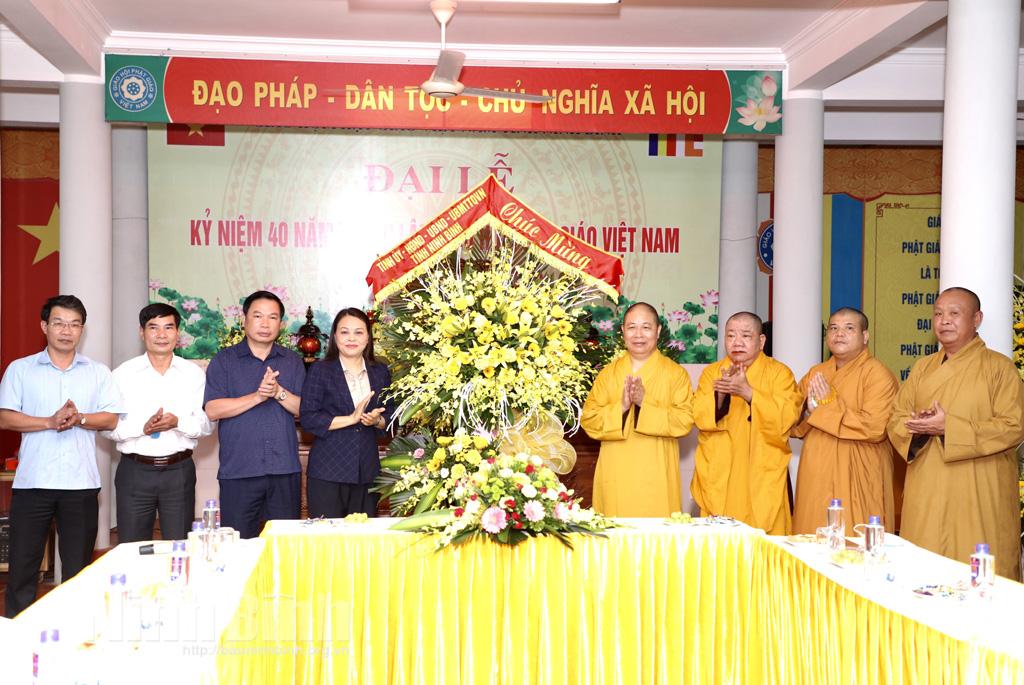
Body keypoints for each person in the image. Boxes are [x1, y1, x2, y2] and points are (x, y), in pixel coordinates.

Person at [887, 287, 1024, 579]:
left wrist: (950, 428)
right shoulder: (922, 368)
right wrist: (919, 427)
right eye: (938, 314)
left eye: (954, 313)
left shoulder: (999, 368)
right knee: (924, 572)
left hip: (978, 486)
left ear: (977, 319)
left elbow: (1013, 426)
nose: (944, 320)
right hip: (927, 484)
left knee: (978, 572)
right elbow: (896, 417)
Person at [0, 295, 123, 617]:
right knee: (23, 568)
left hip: (80, 485)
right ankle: (18, 633)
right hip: (32, 483)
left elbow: (111, 419)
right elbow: (5, 417)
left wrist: (79, 418)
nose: (66, 331)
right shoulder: (21, 369)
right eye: (59, 323)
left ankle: (74, 632)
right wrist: (49, 422)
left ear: (82, 330)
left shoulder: (97, 372)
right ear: (44, 326)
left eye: (74, 324)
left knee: (78, 572)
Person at [103, 303, 213, 542]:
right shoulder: (122, 374)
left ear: (178, 333)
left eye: (168, 327)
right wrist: (141, 428)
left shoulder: (194, 374)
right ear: (142, 332)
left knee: (179, 546)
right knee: (132, 548)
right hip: (135, 471)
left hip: (179, 471)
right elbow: (106, 427)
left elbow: (207, 424)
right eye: (153, 328)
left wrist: (178, 422)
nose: (161, 335)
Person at [204, 290, 305, 538]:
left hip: (284, 470)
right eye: (258, 316)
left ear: (281, 324)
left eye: (273, 317)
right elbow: (212, 409)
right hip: (239, 470)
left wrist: (278, 392)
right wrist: (258, 397)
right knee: (238, 546)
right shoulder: (224, 361)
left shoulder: (292, 361)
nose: (265, 324)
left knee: (284, 546)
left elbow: (305, 411)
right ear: (244, 319)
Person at [691, 311, 801, 534]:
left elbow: (788, 417)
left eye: (745, 336)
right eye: (731, 335)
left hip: (763, 471)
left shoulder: (779, 374)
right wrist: (721, 394)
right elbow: (698, 415)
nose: (737, 342)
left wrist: (749, 393)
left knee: (763, 545)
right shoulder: (712, 373)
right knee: (721, 543)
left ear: (761, 341)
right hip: (720, 471)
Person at [581, 302, 694, 517]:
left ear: (658, 331)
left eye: (646, 327)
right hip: (616, 473)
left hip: (657, 475)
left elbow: (684, 421)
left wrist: (644, 402)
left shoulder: (675, 374)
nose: (638, 334)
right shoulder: (608, 374)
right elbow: (590, 420)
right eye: (632, 327)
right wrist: (622, 407)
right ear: (623, 331)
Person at [791, 308, 897, 534]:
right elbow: (792, 417)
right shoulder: (817, 373)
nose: (839, 334)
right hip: (816, 469)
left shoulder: (878, 375)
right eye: (833, 328)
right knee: (812, 533)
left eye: (849, 328)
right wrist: (807, 413)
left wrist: (824, 408)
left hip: (857, 470)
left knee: (854, 536)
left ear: (865, 336)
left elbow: (875, 427)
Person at [300, 308, 393, 517]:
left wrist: (377, 420)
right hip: (328, 471)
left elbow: (393, 417)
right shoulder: (320, 370)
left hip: (367, 472)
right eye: (344, 332)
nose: (351, 338)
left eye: (358, 332)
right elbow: (308, 419)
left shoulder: (380, 372)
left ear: (368, 338)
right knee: (326, 536)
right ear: (335, 336)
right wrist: (351, 419)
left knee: (363, 535)